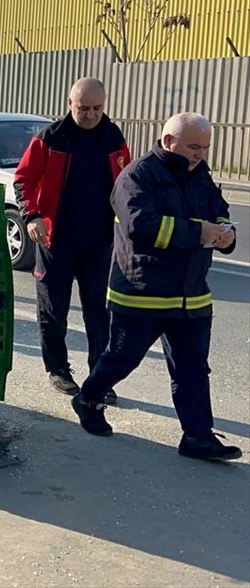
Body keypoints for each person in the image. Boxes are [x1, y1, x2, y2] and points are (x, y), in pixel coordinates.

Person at [72, 112, 240, 461]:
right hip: (142, 292)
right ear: (168, 141)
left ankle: (197, 436)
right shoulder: (137, 175)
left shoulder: (200, 176)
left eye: (205, 148)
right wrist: (198, 232)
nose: (199, 154)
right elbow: (141, 226)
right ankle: (88, 397)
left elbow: (219, 210)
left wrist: (227, 234)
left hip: (191, 295)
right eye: (194, 146)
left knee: (193, 368)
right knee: (121, 360)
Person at [14, 77, 131, 402]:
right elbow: (23, 178)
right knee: (53, 311)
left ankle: (100, 377)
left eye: (97, 108)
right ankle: (58, 370)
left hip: (100, 243)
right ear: (70, 104)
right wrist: (32, 216)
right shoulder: (51, 138)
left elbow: (126, 185)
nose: (91, 114)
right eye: (84, 108)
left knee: (100, 313)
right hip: (56, 240)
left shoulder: (113, 137)